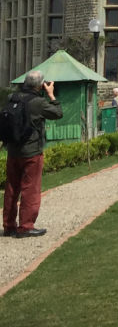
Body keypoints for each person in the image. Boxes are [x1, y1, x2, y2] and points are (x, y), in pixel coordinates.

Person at [3, 70, 63, 238]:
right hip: (31, 152)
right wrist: (51, 95)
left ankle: (9, 225)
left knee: (11, 188)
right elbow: (58, 113)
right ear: (40, 85)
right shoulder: (38, 102)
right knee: (30, 189)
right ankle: (26, 226)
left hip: (13, 150)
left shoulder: (12, 98)